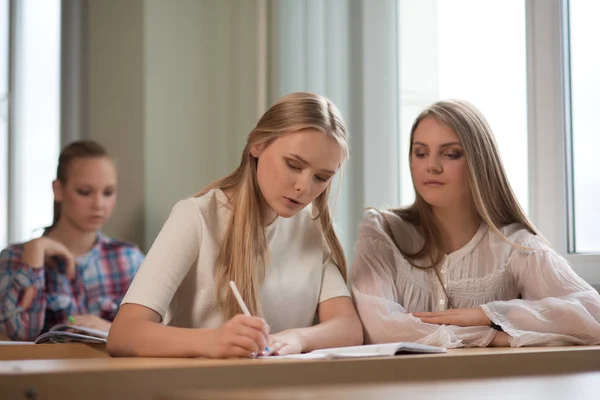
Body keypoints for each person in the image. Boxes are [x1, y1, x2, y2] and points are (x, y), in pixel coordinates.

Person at [108, 92, 363, 358]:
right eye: (293, 165)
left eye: (322, 177)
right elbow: (124, 333)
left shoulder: (311, 229)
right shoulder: (196, 218)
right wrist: (211, 342)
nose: (304, 187)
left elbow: (348, 327)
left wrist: (298, 337)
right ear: (257, 145)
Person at [350, 99, 600, 348]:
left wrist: (489, 314)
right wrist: (492, 336)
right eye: (421, 153)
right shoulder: (382, 231)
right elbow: (379, 328)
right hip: (401, 387)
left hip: (493, 388)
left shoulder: (514, 246)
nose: (432, 166)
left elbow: (593, 315)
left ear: (479, 163)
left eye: (450, 154)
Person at [0, 140, 144, 341]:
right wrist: (35, 250)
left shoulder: (128, 258)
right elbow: (20, 333)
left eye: (108, 192)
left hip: (113, 373)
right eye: (85, 192)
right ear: (58, 190)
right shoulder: (13, 257)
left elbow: (154, 331)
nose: (99, 204)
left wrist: (111, 329)